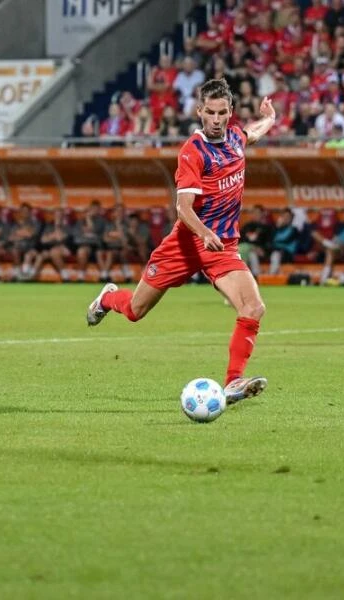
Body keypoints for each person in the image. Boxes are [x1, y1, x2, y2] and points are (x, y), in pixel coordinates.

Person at [86, 79, 276, 405]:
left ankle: (233, 382)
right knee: (135, 310)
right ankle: (107, 299)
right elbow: (183, 208)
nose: (216, 119)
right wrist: (204, 233)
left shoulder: (236, 138)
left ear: (230, 113)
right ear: (200, 111)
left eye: (223, 113)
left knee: (254, 307)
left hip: (223, 247)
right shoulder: (193, 152)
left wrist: (270, 118)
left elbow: (254, 132)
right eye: (210, 112)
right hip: (187, 243)